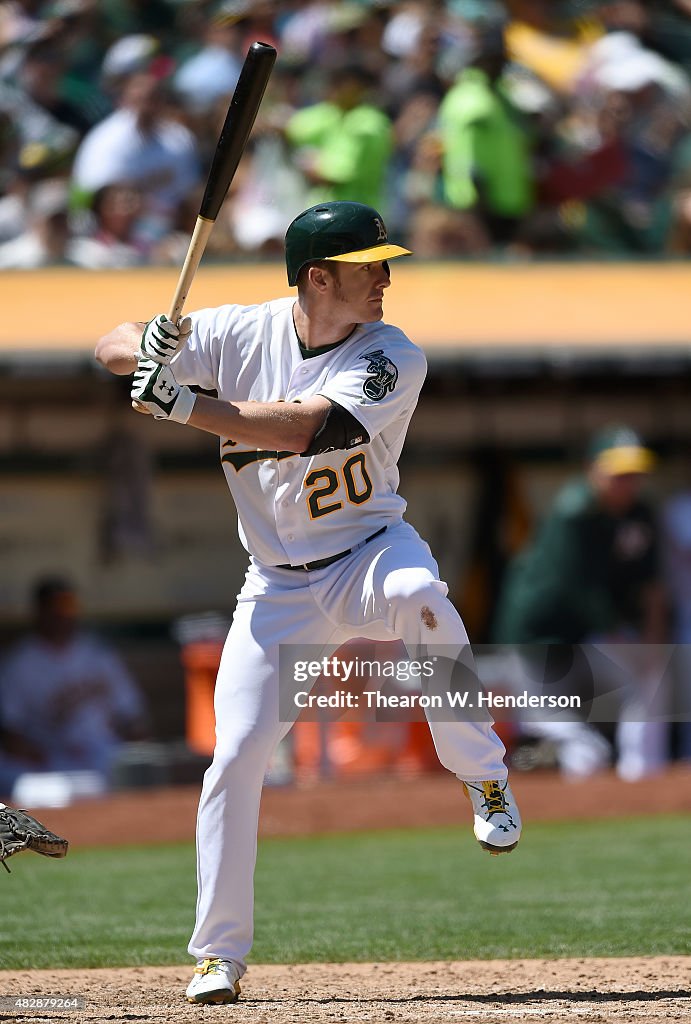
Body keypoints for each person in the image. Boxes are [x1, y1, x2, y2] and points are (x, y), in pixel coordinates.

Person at [94, 200, 522, 1006]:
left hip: (367, 551)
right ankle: (217, 957)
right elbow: (107, 344)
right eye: (370, 266)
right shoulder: (238, 332)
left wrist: (183, 403)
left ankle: (483, 775)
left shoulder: (392, 354)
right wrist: (141, 350)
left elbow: (304, 430)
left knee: (419, 594)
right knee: (236, 757)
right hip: (277, 582)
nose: (386, 279)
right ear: (318, 278)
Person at [493, 425, 669, 779]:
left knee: (646, 681)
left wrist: (652, 642)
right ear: (593, 469)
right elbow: (577, 589)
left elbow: (651, 587)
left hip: (584, 637)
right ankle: (564, 803)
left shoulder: (639, 515)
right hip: (535, 638)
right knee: (579, 745)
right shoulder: (574, 513)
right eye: (618, 473)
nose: (627, 482)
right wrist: (620, 631)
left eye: (633, 474)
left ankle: (643, 778)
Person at [0, 576, 148, 797]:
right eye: (55, 607)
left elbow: (132, 717)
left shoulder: (98, 654)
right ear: (40, 610)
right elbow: (11, 735)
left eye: (67, 607)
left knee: (119, 771)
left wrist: (136, 754)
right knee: (34, 782)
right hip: (51, 759)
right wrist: (45, 757)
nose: (62, 615)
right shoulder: (19, 664)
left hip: (101, 754)